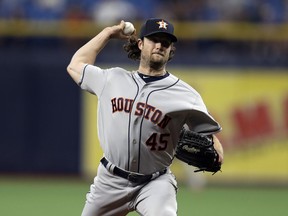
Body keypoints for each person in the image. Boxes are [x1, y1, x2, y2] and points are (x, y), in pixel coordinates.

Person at [67, 18, 224, 216]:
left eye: (165, 42)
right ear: (140, 44)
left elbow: (210, 136)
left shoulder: (187, 95)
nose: (159, 45)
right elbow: (75, 65)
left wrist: (218, 152)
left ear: (170, 50)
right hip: (109, 181)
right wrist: (107, 33)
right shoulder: (112, 79)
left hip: (155, 183)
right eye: (154, 40)